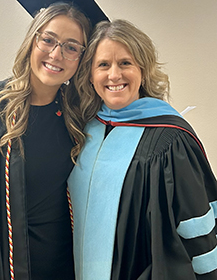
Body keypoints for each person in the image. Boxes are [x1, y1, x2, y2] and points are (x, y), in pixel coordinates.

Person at [0, 0, 109, 280]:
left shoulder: (80, 120)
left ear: (81, 59)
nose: (56, 55)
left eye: (71, 47)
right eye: (48, 40)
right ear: (33, 40)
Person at [68, 19, 217, 280]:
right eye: (103, 65)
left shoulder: (170, 141)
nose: (114, 75)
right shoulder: (82, 131)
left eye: (125, 63)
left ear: (143, 70)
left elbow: (196, 228)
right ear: (90, 75)